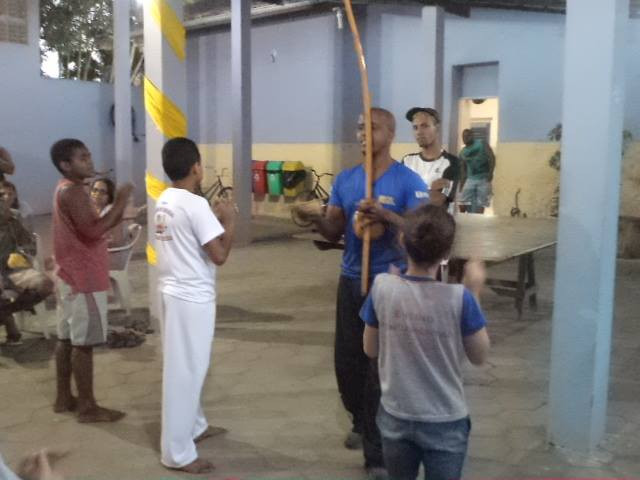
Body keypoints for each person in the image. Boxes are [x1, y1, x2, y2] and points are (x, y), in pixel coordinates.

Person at [296, 108, 429, 479]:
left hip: (390, 283)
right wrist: (314, 217)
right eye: (358, 128)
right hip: (352, 280)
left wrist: (387, 217)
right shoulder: (347, 179)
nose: (362, 134)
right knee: (348, 363)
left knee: (378, 368)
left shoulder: (407, 181)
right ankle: (360, 419)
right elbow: (333, 231)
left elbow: (420, 231)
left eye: (370, 127)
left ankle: (377, 452)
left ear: (390, 132)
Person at [361, 204, 490, 480]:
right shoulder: (459, 298)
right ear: (446, 253)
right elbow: (479, 355)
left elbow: (370, 349)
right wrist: (475, 290)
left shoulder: (382, 287)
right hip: (444, 421)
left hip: (396, 415)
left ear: (401, 240)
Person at [155, 137, 236, 474]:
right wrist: (229, 220)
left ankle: (196, 425)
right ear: (196, 167)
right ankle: (177, 453)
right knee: (184, 373)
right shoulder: (194, 204)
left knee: (191, 367)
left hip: (173, 292)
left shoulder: (166, 198)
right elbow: (218, 256)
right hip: (191, 298)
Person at [50, 138, 133, 423]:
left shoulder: (67, 189)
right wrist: (121, 199)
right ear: (65, 164)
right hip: (84, 277)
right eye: (82, 157)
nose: (90, 161)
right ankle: (87, 406)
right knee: (83, 344)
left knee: (66, 338)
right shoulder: (73, 192)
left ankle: (64, 397)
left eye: (89, 155)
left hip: (69, 274)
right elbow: (94, 229)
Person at [0, 193, 53, 346]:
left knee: (45, 285)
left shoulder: (13, 220)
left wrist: (22, 254)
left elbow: (30, 244)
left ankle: (6, 312)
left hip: (12, 268)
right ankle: (11, 328)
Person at [401, 108, 460, 212]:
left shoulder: (452, 163)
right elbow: (398, 196)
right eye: (415, 127)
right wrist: (429, 190)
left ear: (436, 129)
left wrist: (411, 193)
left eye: (424, 126)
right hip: (410, 225)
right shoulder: (407, 161)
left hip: (438, 226)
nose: (419, 132)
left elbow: (437, 201)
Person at [458, 129, 496, 214]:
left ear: (472, 136)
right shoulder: (462, 152)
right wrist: (462, 184)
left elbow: (491, 157)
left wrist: (491, 172)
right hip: (470, 179)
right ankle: (463, 217)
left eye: (467, 136)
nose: (465, 138)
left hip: (484, 178)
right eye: (463, 137)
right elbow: (463, 170)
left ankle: (478, 221)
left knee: (481, 204)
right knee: (462, 202)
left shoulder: (481, 143)